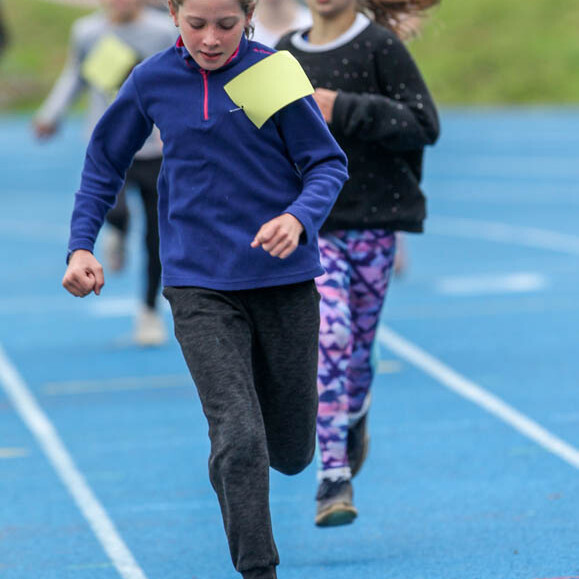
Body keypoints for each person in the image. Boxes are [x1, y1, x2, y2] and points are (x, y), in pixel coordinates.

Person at [61, 0, 348, 577]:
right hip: (197, 283)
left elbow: (326, 164)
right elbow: (104, 160)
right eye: (196, 24)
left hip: (283, 281)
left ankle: (244, 458)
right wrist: (81, 245)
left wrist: (297, 218)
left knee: (292, 451)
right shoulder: (154, 80)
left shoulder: (270, 73)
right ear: (173, 13)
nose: (211, 39)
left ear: (249, 15)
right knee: (239, 435)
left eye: (226, 24)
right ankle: (258, 567)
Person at [277, 0, 440, 527]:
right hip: (313, 227)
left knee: (358, 351)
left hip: (372, 224)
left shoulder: (379, 48)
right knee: (331, 335)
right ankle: (333, 478)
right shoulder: (283, 55)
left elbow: (424, 124)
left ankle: (356, 414)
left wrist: (341, 107)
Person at [34, 0, 177, 346]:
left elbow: (178, 79)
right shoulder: (88, 31)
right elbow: (75, 75)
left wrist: (175, 125)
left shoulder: (163, 31)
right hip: (110, 145)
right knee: (115, 209)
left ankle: (148, 311)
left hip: (156, 149)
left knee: (156, 237)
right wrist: (51, 114)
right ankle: (118, 232)